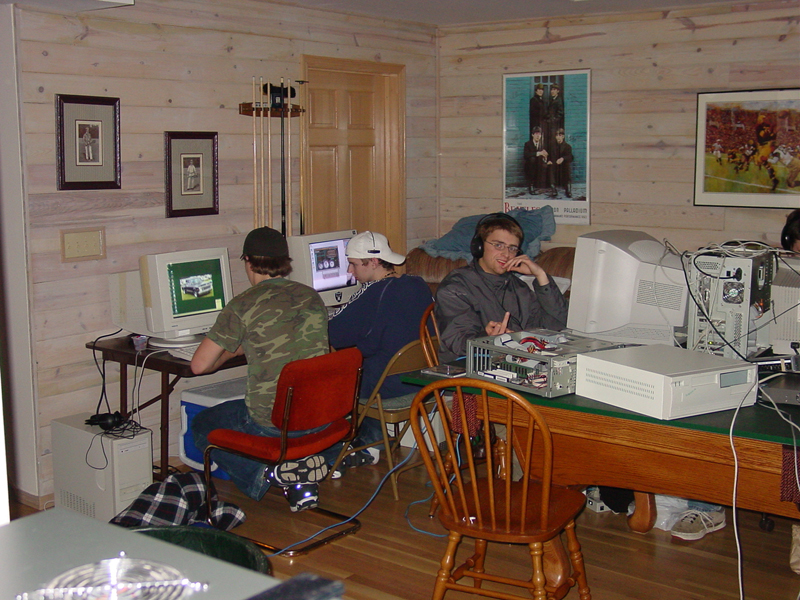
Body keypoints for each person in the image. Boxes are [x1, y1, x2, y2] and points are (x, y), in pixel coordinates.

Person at [191, 226, 332, 512]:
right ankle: (298, 479)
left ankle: (268, 475)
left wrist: (232, 350)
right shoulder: (311, 297)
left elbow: (199, 365)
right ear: (284, 261)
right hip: (321, 415)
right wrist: (246, 344)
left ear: (247, 260)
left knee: (203, 424)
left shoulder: (243, 304)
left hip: (274, 422)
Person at [328, 231, 433, 468]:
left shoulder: (373, 292)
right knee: (373, 361)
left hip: (386, 388)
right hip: (420, 380)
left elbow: (332, 332)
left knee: (337, 373)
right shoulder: (417, 284)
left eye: (354, 264)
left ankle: (348, 446)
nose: (350, 272)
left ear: (373, 262)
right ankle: (371, 441)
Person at [435, 213, 568, 363]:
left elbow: (556, 326)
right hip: (469, 373)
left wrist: (541, 276)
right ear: (478, 247)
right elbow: (458, 342)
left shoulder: (518, 287)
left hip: (514, 367)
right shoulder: (455, 288)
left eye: (512, 248)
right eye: (498, 245)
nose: (506, 254)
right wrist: (486, 338)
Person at [523, 126, 549, 194]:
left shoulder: (542, 144)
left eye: (539, 134)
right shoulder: (528, 144)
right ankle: (531, 185)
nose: (538, 136)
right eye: (536, 134)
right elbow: (526, 155)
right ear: (532, 135)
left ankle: (546, 184)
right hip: (530, 166)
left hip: (539, 165)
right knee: (532, 159)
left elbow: (546, 155)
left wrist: (545, 156)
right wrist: (538, 153)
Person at [549, 128, 573, 198]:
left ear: (563, 136)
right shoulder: (552, 146)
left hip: (563, 166)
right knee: (550, 165)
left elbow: (570, 157)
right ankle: (553, 188)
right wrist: (549, 160)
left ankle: (568, 189)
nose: (558, 137)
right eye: (557, 135)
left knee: (567, 165)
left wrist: (563, 158)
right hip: (554, 165)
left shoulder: (567, 146)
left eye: (560, 135)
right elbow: (549, 155)